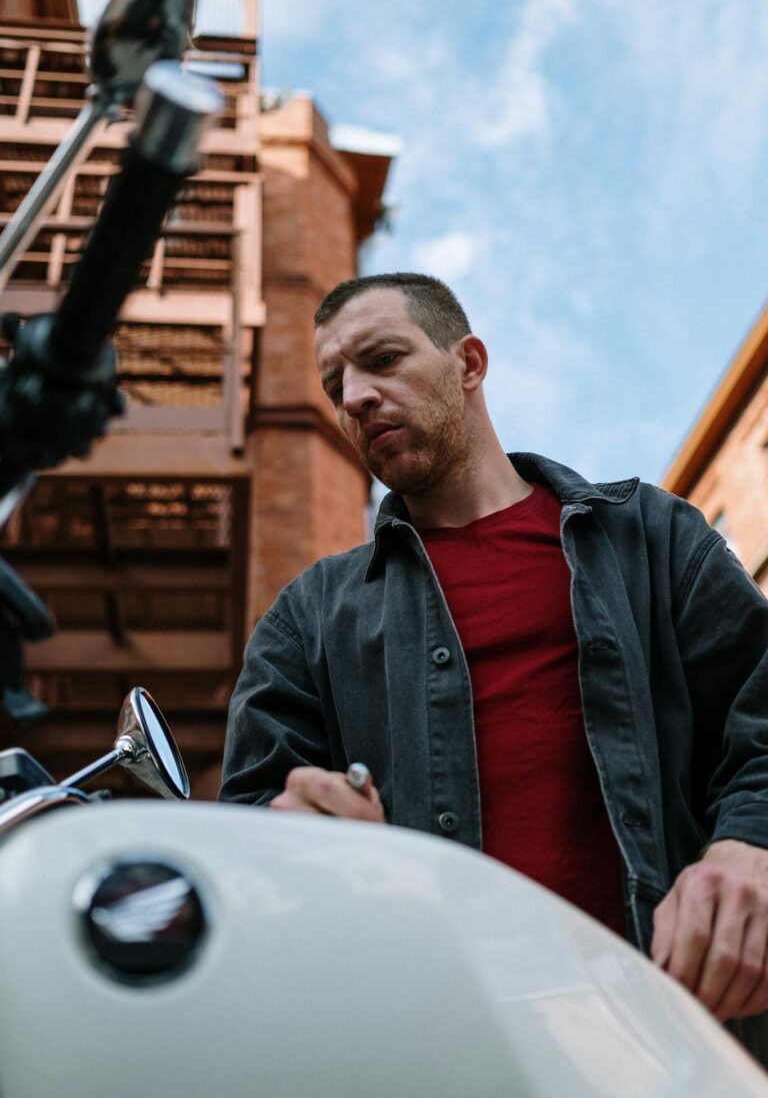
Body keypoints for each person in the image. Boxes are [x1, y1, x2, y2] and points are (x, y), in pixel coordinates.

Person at [220, 271, 768, 1056]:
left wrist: (751, 846)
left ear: (469, 363)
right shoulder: (306, 619)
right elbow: (247, 839)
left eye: (382, 359)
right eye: (336, 384)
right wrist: (298, 840)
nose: (355, 397)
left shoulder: (651, 538)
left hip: (679, 1037)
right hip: (445, 1050)